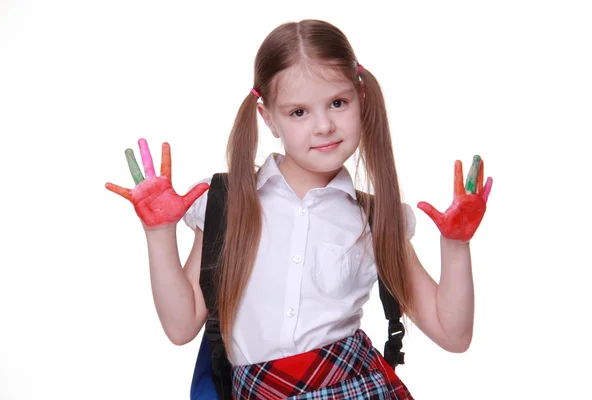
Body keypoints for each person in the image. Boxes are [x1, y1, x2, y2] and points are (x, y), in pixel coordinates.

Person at [106, 19, 492, 399]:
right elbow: (180, 326)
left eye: (338, 103)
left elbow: (453, 334)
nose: (323, 125)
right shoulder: (226, 205)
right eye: (299, 112)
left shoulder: (375, 219)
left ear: (362, 100)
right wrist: (159, 233)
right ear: (268, 118)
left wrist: (456, 245)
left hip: (356, 389)